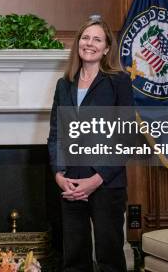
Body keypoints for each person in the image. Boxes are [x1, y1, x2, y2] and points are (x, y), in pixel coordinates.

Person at [47, 16, 134, 272]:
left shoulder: (119, 82)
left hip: (106, 183)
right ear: (78, 44)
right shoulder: (64, 84)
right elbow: (56, 133)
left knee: (109, 257)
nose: (90, 43)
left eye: (97, 39)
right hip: (71, 182)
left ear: (106, 48)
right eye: (85, 38)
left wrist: (97, 179)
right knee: (74, 258)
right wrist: (58, 174)